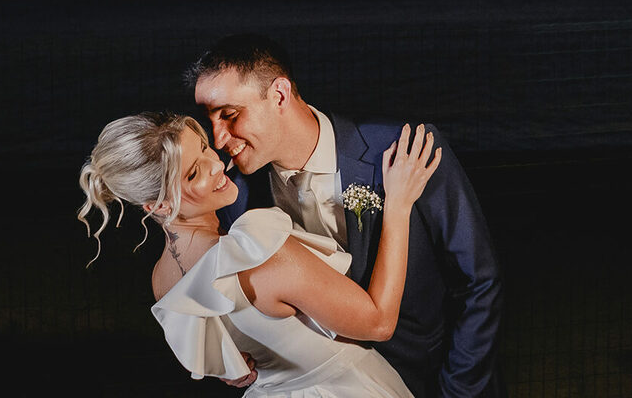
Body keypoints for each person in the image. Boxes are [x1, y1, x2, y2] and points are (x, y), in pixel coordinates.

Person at [185, 34, 505, 398]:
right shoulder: (235, 197)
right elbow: (225, 293)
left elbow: (478, 281)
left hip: (428, 380)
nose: (218, 137)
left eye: (230, 115)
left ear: (279, 95)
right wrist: (229, 353)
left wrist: (460, 390)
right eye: (209, 119)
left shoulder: (404, 151)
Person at [78, 111, 442, 396]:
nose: (217, 165)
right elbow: (377, 323)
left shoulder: (164, 281)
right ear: (156, 206)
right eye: (192, 174)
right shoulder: (256, 252)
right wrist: (399, 204)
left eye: (204, 148)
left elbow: (230, 358)